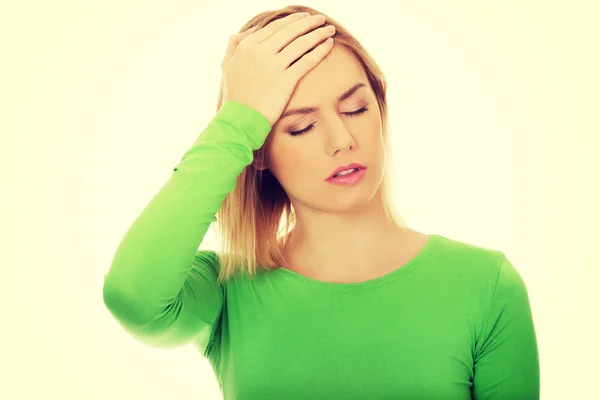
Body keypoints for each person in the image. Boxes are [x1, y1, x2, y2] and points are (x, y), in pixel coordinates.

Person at [103, 6, 540, 400]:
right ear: (258, 150)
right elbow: (132, 297)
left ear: (381, 107)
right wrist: (236, 122)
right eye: (302, 127)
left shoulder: (486, 286)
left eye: (355, 109)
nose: (342, 141)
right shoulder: (226, 291)